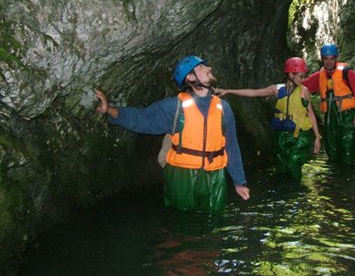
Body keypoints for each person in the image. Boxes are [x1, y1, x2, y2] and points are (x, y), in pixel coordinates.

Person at [95, 55, 250, 213]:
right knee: (182, 223)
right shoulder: (174, 107)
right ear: (190, 77)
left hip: (215, 175)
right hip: (182, 175)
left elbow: (231, 146)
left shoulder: (224, 108)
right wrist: (109, 110)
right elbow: (141, 119)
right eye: (202, 68)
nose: (209, 68)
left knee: (214, 223)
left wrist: (239, 181)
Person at [215, 57, 321, 180]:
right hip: (281, 135)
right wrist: (228, 91)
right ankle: (285, 194)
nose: (303, 80)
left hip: (300, 135)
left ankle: (297, 192)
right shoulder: (277, 89)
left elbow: (311, 114)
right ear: (291, 74)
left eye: (304, 76)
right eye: (300, 76)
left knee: (294, 163)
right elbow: (254, 93)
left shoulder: (304, 91)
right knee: (282, 167)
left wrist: (317, 137)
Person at [302, 43, 355, 165]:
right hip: (329, 118)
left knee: (347, 150)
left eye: (332, 58)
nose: (329, 62)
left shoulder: (347, 72)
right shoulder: (320, 75)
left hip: (347, 116)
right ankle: (335, 180)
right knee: (332, 151)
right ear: (322, 59)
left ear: (336, 58)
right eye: (326, 59)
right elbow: (301, 86)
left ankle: (348, 178)